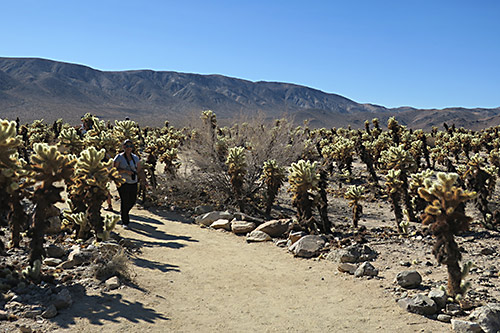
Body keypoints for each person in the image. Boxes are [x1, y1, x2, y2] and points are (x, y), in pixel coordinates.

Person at [113, 139, 147, 229]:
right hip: (123, 182)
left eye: (130, 146)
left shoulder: (135, 157)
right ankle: (125, 221)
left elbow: (139, 170)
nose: (129, 148)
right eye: (127, 146)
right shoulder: (119, 157)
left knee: (132, 200)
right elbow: (114, 170)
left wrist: (144, 180)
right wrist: (124, 171)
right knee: (124, 200)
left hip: (133, 181)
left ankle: (124, 212)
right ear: (123, 147)